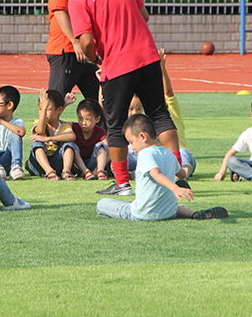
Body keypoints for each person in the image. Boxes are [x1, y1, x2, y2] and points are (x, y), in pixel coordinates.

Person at [64, 0, 183, 197]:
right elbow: (144, 16)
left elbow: (85, 42)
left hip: (118, 65)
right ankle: (177, 174)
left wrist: (96, 57)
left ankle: (122, 185)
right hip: (148, 56)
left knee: (115, 126)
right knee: (160, 114)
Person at [97, 114, 228, 221]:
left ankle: (137, 205)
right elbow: (182, 174)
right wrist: (179, 183)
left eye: (131, 142)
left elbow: (156, 174)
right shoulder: (169, 153)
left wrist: (176, 188)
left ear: (143, 136)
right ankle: (193, 214)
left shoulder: (144, 154)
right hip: (168, 212)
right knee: (175, 206)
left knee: (102, 204)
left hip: (143, 214)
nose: (131, 147)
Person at [46, 0, 100, 102]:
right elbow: (59, 11)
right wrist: (75, 41)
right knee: (54, 103)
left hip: (84, 50)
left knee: (101, 101)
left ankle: (106, 129)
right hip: (66, 51)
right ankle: (42, 129)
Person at [158, 48, 197, 178]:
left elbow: (168, 92)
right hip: (161, 158)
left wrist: (162, 68)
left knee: (184, 152)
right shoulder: (147, 114)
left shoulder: (171, 109)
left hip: (180, 156)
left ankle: (182, 172)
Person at [26, 89, 78, 180]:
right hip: (38, 167)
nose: (43, 112)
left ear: (59, 110)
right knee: (37, 144)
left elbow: (72, 136)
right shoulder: (38, 122)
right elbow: (41, 131)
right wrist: (45, 107)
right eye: (40, 109)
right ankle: (49, 172)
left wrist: (48, 138)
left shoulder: (63, 126)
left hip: (57, 164)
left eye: (48, 109)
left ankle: (66, 172)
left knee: (69, 144)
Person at [71, 98, 109, 180]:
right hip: (77, 164)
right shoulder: (74, 127)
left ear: (97, 119)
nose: (83, 123)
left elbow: (109, 149)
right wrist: (65, 104)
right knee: (71, 146)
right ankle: (86, 172)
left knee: (102, 146)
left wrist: (96, 170)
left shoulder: (100, 131)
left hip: (94, 162)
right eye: (80, 118)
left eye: (88, 119)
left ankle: (100, 171)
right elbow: (57, 121)